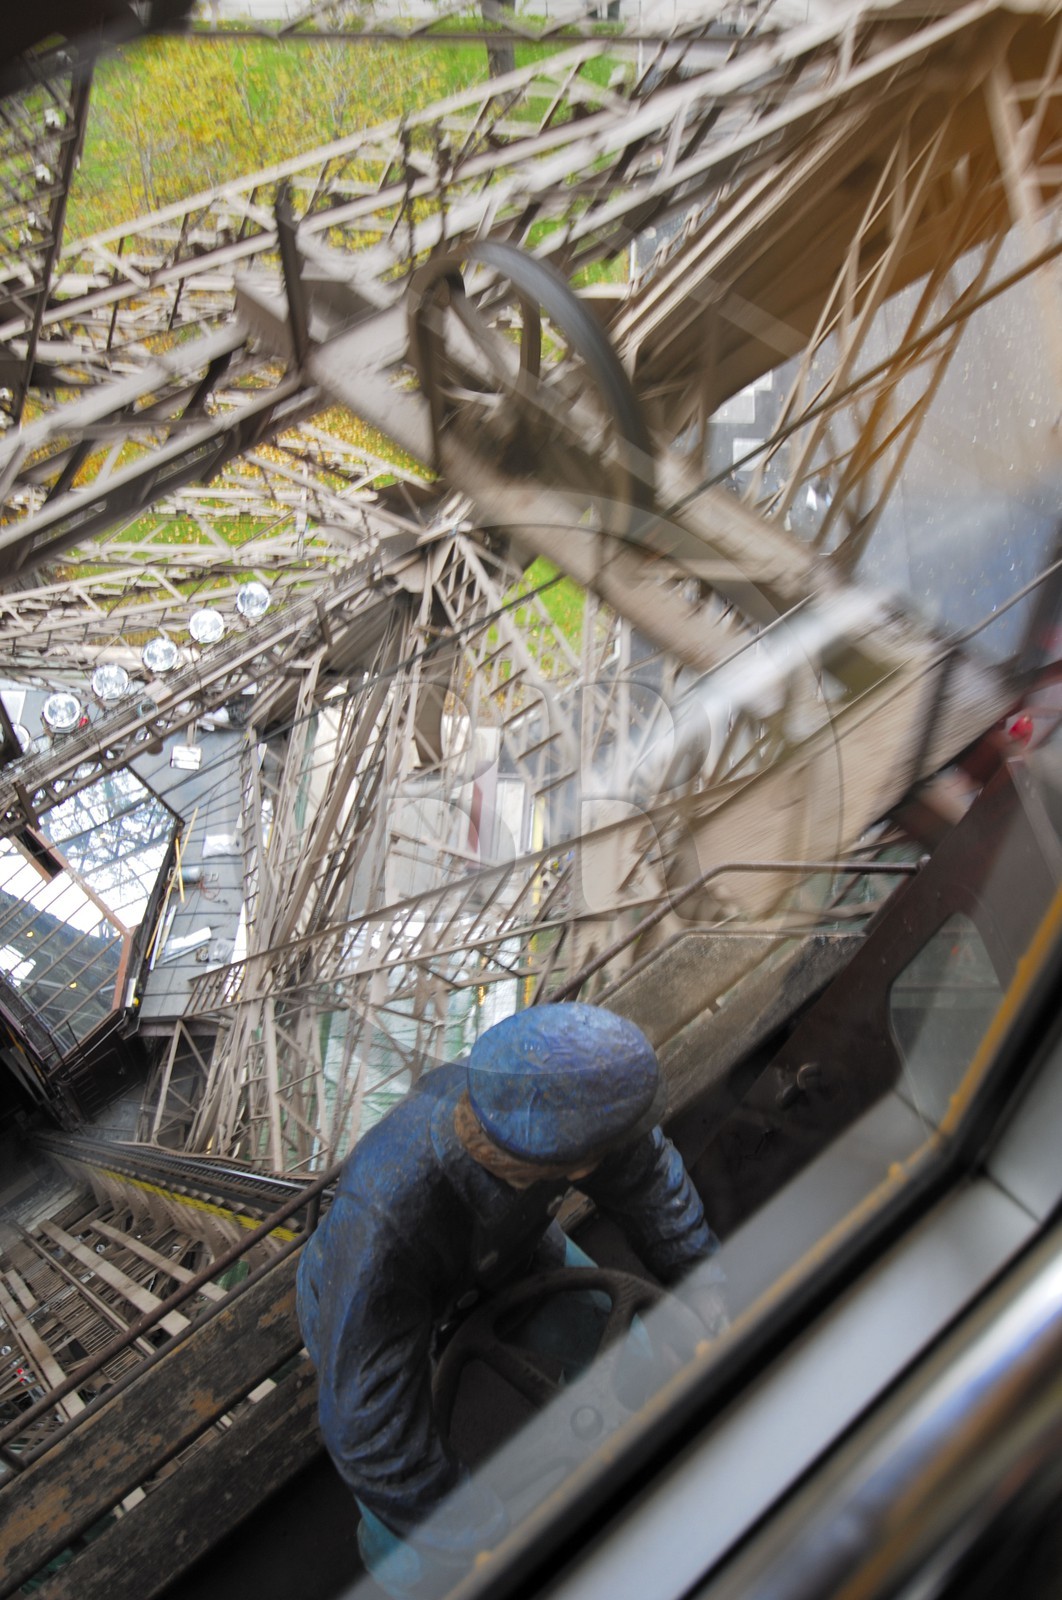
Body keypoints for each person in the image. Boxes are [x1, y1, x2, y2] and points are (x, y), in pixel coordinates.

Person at [297, 1002, 725, 1596]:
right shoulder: (386, 1216)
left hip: (508, 1251)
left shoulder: (568, 1109)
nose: (614, 1156)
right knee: (405, 1540)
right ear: (563, 1162)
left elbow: (650, 1180)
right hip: (363, 1297)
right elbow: (370, 1432)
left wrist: (707, 1286)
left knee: (628, 1345)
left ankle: (614, 1446)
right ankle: (392, 1571)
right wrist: (484, 1535)